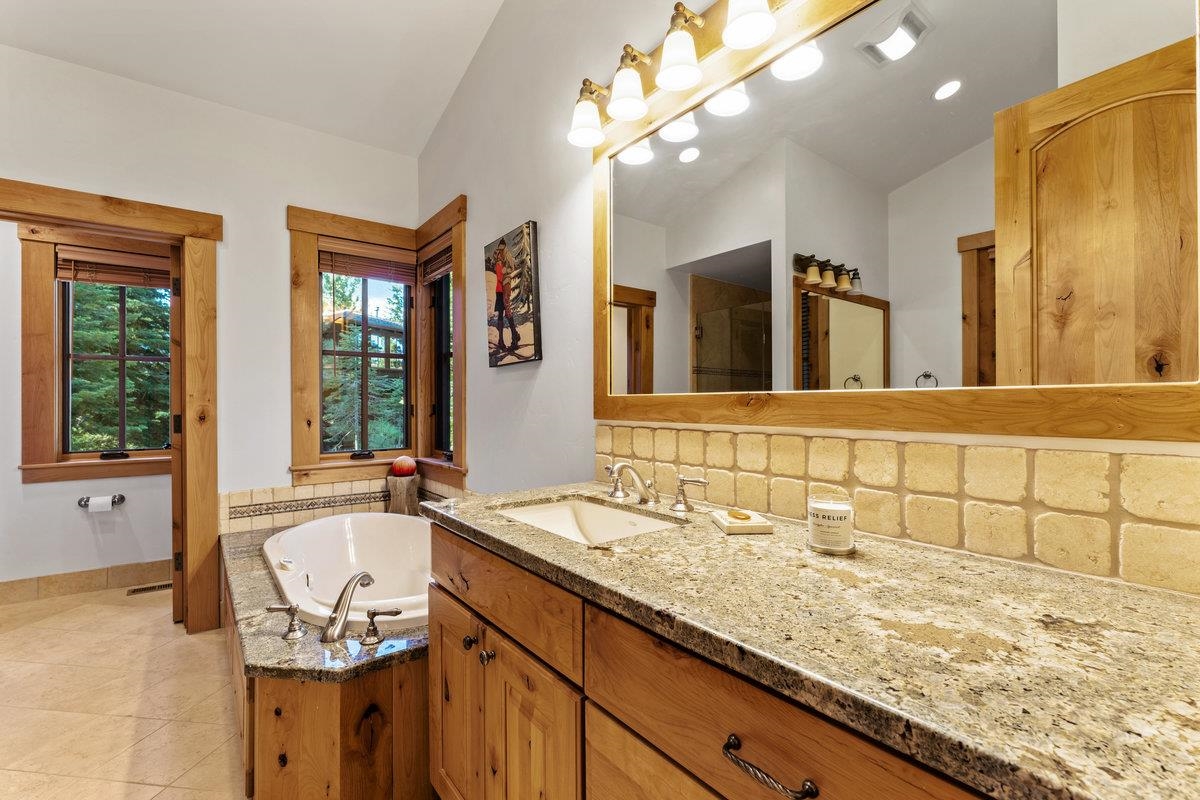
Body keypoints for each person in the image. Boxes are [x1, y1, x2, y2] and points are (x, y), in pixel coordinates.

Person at [490, 240, 520, 351]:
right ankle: (509, 338)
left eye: (500, 251)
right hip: (499, 290)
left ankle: (513, 338)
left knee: (506, 312)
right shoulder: (498, 264)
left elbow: (509, 269)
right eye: (498, 252)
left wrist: (504, 271)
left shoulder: (505, 259)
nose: (499, 254)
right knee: (503, 313)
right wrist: (502, 271)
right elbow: (499, 277)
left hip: (503, 287)